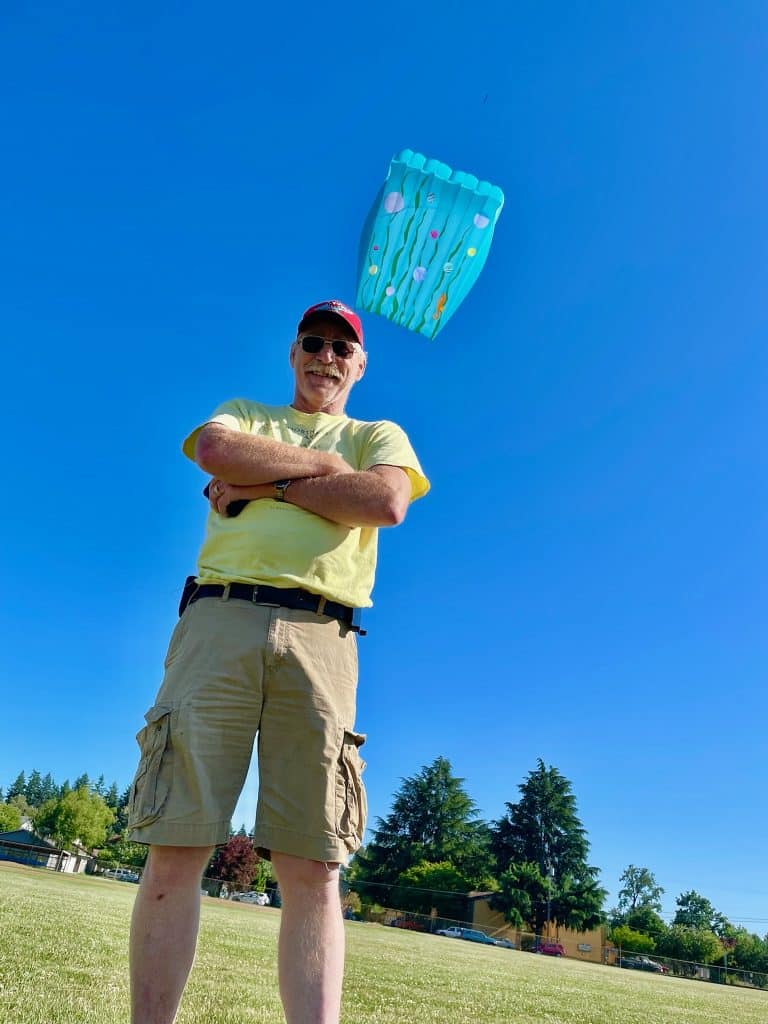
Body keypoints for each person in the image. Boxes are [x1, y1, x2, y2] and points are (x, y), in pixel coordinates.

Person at [126, 299, 429, 1024]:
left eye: (341, 349)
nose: (326, 357)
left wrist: (272, 487)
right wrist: (326, 469)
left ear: (359, 365)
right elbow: (216, 454)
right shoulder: (242, 412)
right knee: (177, 841)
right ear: (293, 354)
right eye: (314, 343)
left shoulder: (378, 434)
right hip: (218, 621)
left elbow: (385, 501)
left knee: (313, 864)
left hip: (325, 638)